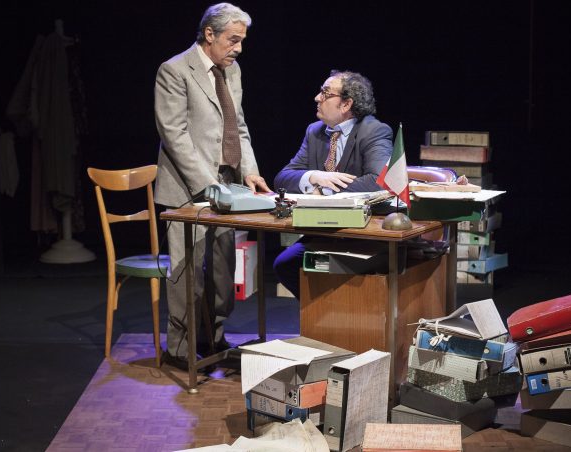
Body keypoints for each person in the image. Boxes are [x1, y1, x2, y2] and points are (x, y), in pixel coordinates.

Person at [154, 2, 270, 369]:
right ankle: (180, 348)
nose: (239, 48)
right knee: (186, 272)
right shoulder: (175, 70)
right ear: (209, 34)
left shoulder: (231, 71)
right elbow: (174, 135)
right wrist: (207, 186)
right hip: (187, 190)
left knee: (222, 270)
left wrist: (249, 170)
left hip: (228, 186)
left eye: (242, 40)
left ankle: (213, 336)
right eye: (233, 40)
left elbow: (239, 126)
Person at [273, 70, 392, 298]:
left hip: (363, 233)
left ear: (346, 104)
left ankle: (338, 313)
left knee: (340, 272)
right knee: (285, 265)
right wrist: (314, 176)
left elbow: (379, 182)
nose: (317, 98)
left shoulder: (374, 130)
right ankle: (320, 313)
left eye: (326, 93)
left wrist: (324, 189)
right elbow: (283, 177)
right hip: (324, 231)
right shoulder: (315, 131)